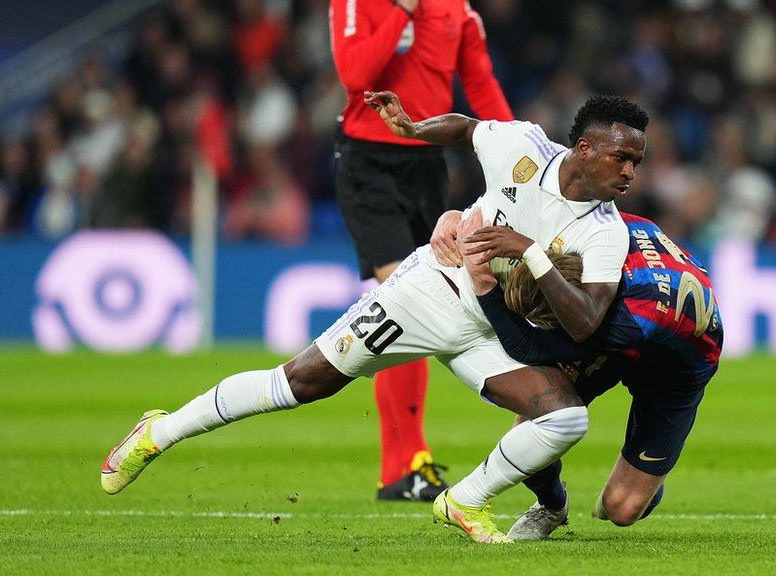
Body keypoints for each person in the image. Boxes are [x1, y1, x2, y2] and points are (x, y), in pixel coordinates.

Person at [100, 92, 649, 544]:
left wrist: (526, 249)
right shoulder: (523, 144)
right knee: (302, 382)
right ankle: (160, 431)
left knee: (564, 417)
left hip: (494, 326)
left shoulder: (606, 230)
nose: (629, 172)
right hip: (430, 291)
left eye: (636, 163)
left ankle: (465, 502)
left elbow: (585, 322)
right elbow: (464, 129)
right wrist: (413, 130)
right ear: (583, 147)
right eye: (621, 158)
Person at [328, 0, 515, 502]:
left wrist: (522, 151)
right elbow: (355, 73)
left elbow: (480, 84)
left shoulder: (458, 10)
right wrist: (400, 11)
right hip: (369, 163)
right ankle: (409, 463)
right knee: (404, 298)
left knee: (414, 299)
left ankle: (403, 471)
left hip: (428, 165)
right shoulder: (356, 3)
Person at [452, 210, 722, 540]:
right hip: (644, 312)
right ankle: (551, 506)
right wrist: (453, 220)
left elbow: (530, 348)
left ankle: (647, 481)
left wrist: (484, 286)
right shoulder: (600, 227)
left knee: (619, 509)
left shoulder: (624, 321)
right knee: (537, 430)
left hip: (675, 371)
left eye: (550, 323)